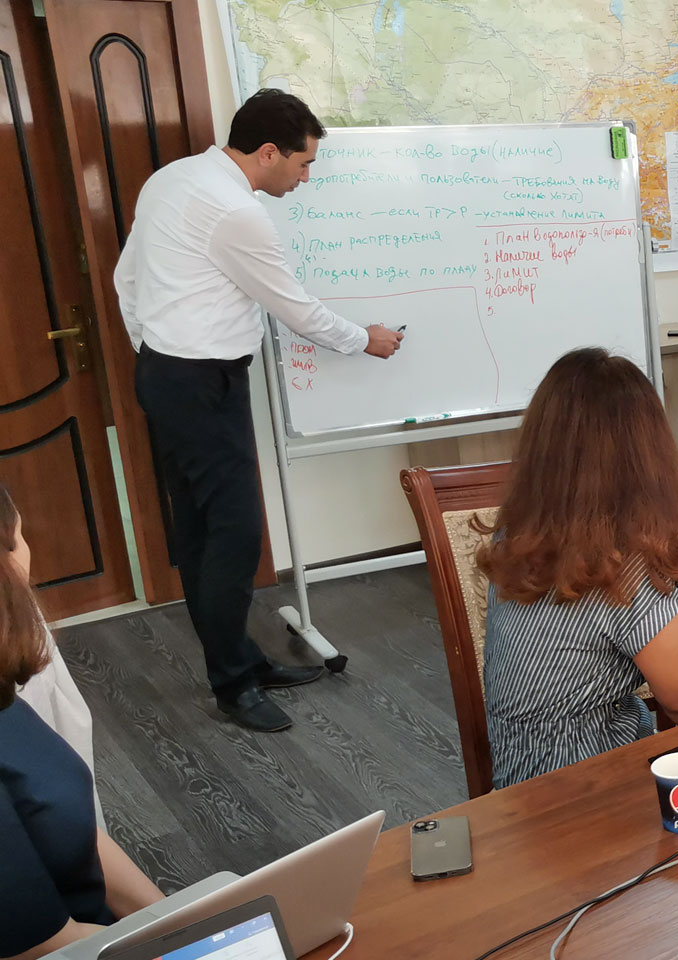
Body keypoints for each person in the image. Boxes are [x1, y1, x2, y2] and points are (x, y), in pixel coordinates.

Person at [111, 88, 405, 733]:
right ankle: (234, 685)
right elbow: (295, 308)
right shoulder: (235, 213)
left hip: (171, 374)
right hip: (198, 382)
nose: (305, 179)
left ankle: (238, 662)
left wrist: (153, 348)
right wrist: (365, 339)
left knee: (202, 529)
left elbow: (124, 278)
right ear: (268, 152)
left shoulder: (171, 179)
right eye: (303, 164)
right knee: (235, 534)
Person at [476, 348, 678, 789]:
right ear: (647, 452)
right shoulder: (621, 567)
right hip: (591, 790)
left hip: (517, 779)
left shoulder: (518, 536)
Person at [3, 484, 166, 958]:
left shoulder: (8, 699)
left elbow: (71, 826)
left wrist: (179, 918)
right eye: (21, 537)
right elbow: (43, 945)